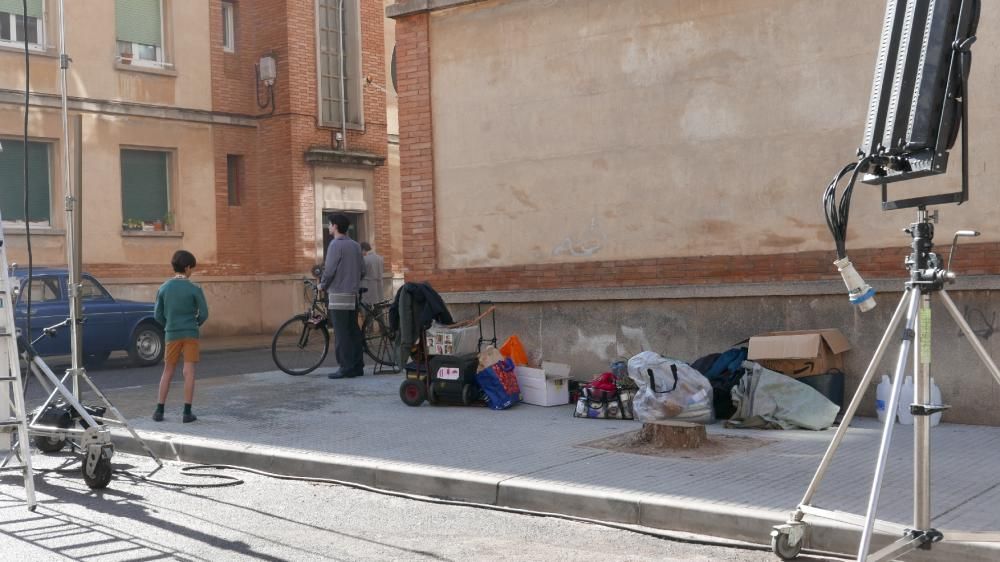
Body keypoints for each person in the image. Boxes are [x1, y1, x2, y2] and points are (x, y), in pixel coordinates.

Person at [152, 250, 209, 423]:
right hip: (190, 333)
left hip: (171, 333)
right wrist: (195, 323)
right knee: (188, 371)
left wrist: (169, 325)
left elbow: (157, 315)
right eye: (192, 268)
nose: (192, 271)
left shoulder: (163, 288)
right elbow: (204, 313)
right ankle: (186, 412)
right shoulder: (194, 289)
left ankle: (159, 411)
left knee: (168, 370)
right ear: (187, 267)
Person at [320, 213, 366, 379]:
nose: (329, 227)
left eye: (330, 224)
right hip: (353, 294)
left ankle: (345, 367)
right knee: (353, 331)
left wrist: (322, 285)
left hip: (338, 294)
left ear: (335, 226)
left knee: (341, 333)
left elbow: (330, 269)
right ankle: (357, 366)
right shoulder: (355, 245)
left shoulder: (335, 245)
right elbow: (363, 270)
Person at [359, 241, 385, 305]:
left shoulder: (364, 259)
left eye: (361, 251)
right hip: (379, 287)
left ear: (363, 250)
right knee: (379, 308)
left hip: (368, 287)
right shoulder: (380, 258)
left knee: (368, 309)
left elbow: (361, 273)